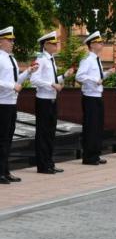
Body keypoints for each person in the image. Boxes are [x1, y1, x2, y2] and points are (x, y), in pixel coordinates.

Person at [30, 31, 74, 173]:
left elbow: (53, 80)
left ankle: (49, 162)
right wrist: (52, 85)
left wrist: (64, 76)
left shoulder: (51, 59)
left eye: (56, 43)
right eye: (53, 43)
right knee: (43, 134)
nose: (56, 46)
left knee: (50, 133)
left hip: (52, 100)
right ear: (46, 45)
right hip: (43, 100)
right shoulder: (41, 59)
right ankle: (42, 165)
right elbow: (33, 80)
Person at [0, 26, 37, 184]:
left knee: (8, 139)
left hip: (11, 103)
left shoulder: (12, 59)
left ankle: (5, 171)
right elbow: (10, 84)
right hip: (1, 103)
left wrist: (28, 72)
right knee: (1, 140)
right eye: (9, 40)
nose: (12, 42)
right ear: (0, 41)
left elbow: (16, 82)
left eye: (13, 40)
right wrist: (11, 87)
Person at [75, 31, 116, 165]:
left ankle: (95, 154)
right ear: (92, 45)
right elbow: (79, 76)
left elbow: (98, 78)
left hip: (97, 96)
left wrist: (108, 73)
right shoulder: (87, 60)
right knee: (91, 127)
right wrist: (94, 80)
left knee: (98, 127)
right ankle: (88, 157)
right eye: (99, 42)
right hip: (90, 97)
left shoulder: (97, 60)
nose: (102, 43)